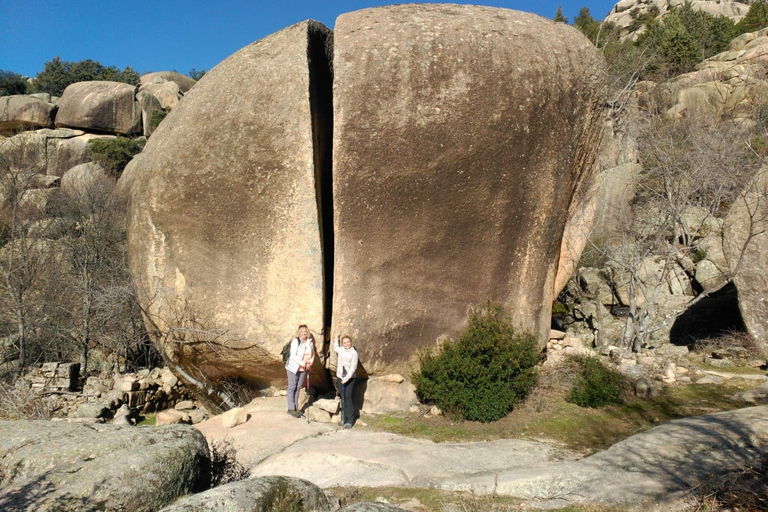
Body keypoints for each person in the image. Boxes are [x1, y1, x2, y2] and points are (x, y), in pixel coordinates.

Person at [285, 324, 315, 418]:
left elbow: (313, 354)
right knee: (292, 387)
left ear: (307, 332)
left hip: (304, 369)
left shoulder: (310, 342)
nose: (303, 333)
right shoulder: (296, 341)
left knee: (298, 388)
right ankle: (291, 408)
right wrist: (303, 363)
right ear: (298, 333)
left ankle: (296, 408)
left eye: (305, 331)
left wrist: (310, 362)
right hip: (293, 368)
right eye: (301, 332)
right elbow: (293, 356)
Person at [334, 334, 359, 428]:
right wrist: (336, 338)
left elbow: (353, 368)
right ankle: (343, 418)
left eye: (348, 342)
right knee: (343, 398)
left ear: (351, 342)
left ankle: (350, 420)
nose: (347, 344)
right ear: (342, 344)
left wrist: (346, 379)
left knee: (348, 398)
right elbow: (335, 347)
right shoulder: (340, 350)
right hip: (341, 377)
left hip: (350, 378)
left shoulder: (354, 353)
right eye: (344, 342)